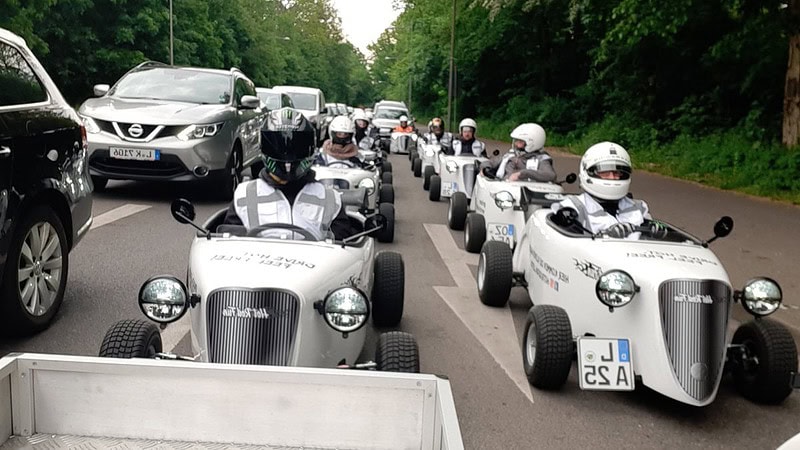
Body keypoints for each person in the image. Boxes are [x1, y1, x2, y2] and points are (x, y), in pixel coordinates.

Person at [223, 108, 361, 240]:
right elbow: (229, 247)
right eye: (279, 148)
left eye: (296, 148)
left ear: (310, 149)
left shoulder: (330, 199)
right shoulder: (245, 194)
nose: (287, 158)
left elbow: (342, 253)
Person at [550, 141, 667, 239]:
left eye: (617, 173)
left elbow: (651, 242)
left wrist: (657, 231)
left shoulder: (639, 207)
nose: (612, 178)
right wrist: (606, 235)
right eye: (605, 173)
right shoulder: (573, 207)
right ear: (588, 173)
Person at [487, 123, 556, 182]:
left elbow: (550, 175)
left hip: (525, 193)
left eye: (520, 141)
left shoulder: (542, 159)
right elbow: (491, 162)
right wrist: (485, 167)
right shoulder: (511, 155)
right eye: (516, 140)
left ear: (531, 143)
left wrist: (522, 174)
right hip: (504, 191)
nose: (516, 143)